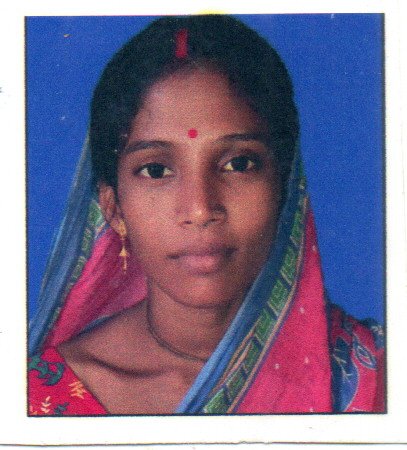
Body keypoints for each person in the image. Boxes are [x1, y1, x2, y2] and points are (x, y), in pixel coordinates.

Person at [28, 14, 384, 415]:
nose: (200, 209)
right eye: (156, 170)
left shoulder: (379, 377)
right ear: (114, 208)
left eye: (239, 164)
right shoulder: (36, 402)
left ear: (285, 190)